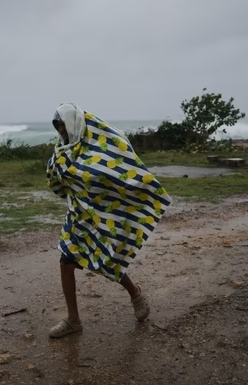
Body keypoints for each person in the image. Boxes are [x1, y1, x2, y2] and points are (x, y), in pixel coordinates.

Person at [46, 103, 172, 338]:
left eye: (63, 124)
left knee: (108, 260)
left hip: (102, 216)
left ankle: (135, 293)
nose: (60, 130)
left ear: (73, 122)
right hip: (77, 217)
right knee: (65, 262)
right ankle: (73, 320)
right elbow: (57, 181)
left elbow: (117, 171)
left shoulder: (100, 148)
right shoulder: (62, 150)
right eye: (57, 126)